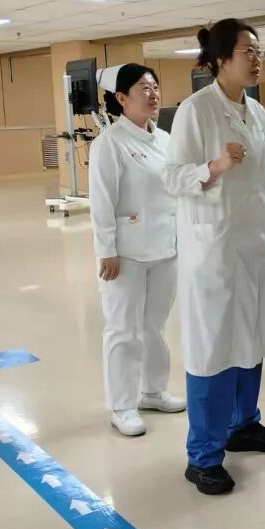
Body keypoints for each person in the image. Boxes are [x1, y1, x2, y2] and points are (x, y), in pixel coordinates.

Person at [163, 18, 265, 496]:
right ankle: (203, 456)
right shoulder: (195, 111)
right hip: (213, 251)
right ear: (221, 59)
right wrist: (213, 167)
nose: (256, 60)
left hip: (254, 244)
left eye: (259, 51)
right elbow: (172, 177)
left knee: (250, 338)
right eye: (247, 52)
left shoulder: (254, 110)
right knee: (214, 349)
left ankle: (243, 424)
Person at [89, 64, 185, 438]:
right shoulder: (109, 144)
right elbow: (101, 202)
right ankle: (122, 405)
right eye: (143, 88)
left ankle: (154, 392)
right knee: (123, 330)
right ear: (122, 98)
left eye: (155, 86)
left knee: (154, 326)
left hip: (165, 248)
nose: (153, 93)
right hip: (125, 254)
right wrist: (106, 251)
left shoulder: (164, 139)